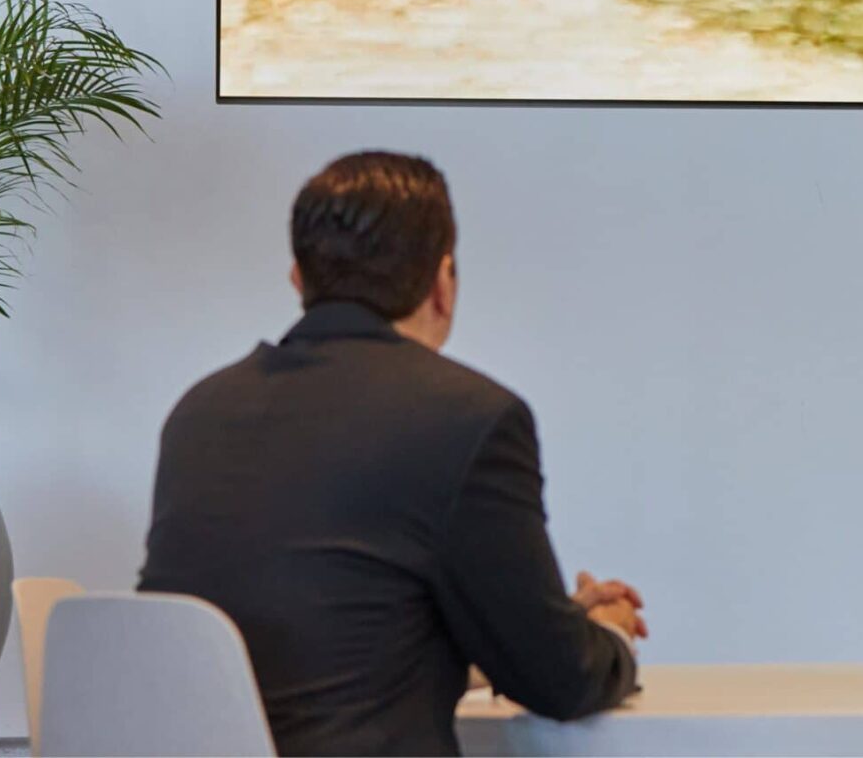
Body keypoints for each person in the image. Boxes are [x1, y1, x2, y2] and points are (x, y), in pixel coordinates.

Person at [140, 152, 644, 756]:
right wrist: (606, 635)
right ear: (443, 281)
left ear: (299, 278)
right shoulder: (471, 416)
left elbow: (332, 646)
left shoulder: (201, 411)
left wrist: (537, 621)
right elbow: (559, 682)